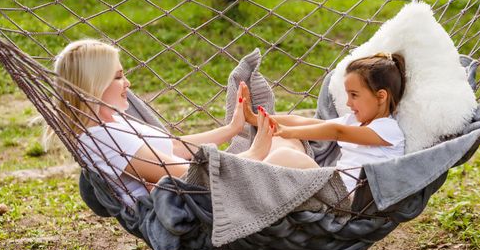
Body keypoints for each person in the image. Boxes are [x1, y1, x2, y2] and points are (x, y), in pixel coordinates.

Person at [51, 39, 283, 206]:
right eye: (119, 76)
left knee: (287, 146)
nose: (128, 83)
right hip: (209, 203)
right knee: (287, 155)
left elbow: (175, 147)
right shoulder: (104, 138)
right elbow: (190, 177)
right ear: (96, 85)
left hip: (213, 186)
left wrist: (232, 129)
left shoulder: (112, 124)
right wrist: (254, 154)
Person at [240, 52, 407, 191]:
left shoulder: (388, 129)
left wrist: (288, 130)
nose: (348, 103)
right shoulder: (353, 121)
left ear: (381, 96)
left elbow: (336, 131)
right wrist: (255, 118)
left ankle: (245, 188)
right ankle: (253, 182)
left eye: (354, 95)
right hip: (331, 189)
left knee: (286, 154)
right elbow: (302, 121)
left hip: (347, 200)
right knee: (281, 140)